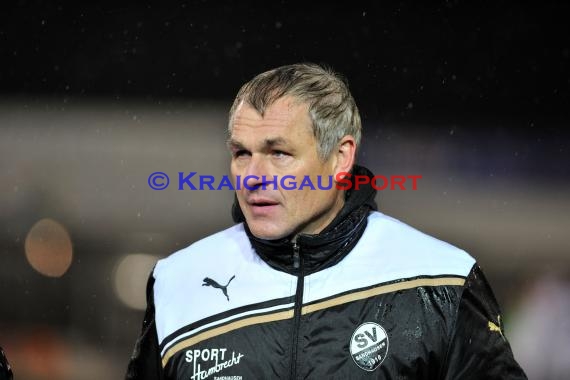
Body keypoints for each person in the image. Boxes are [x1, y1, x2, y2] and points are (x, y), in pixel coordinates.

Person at [126, 63, 527, 379]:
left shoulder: (442, 280)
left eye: (278, 152)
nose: (252, 175)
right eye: (241, 153)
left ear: (340, 158)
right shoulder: (177, 280)